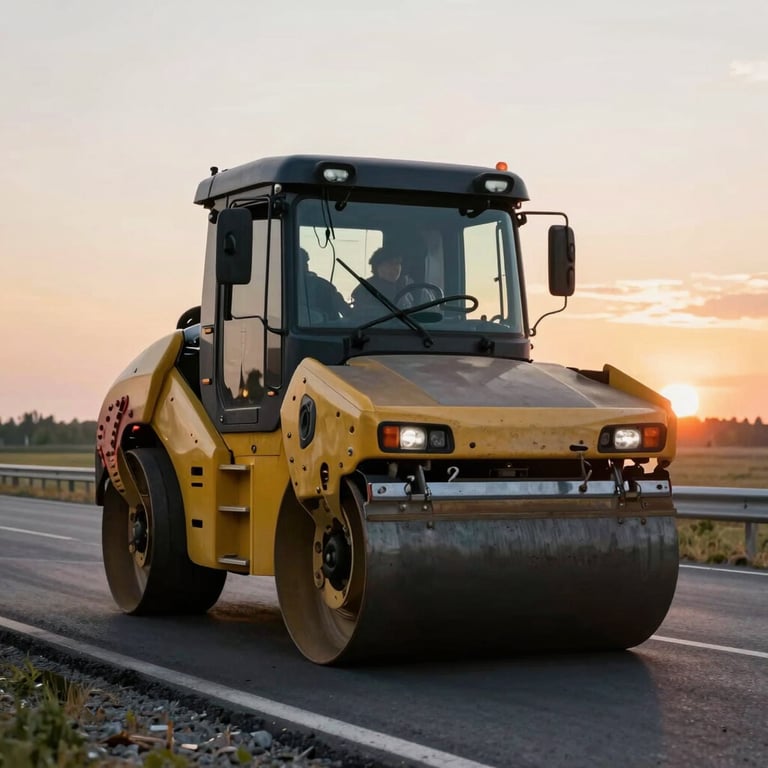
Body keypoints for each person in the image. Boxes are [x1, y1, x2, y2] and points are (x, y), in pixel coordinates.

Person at [351, 246, 414, 310]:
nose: (395, 268)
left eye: (397, 263)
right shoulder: (366, 289)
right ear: (377, 267)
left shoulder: (406, 286)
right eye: (390, 264)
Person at [299, 248, 349, 322]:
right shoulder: (278, 288)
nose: (305, 265)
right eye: (303, 262)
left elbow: (344, 311)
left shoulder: (323, 286)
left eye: (305, 262)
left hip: (321, 332)